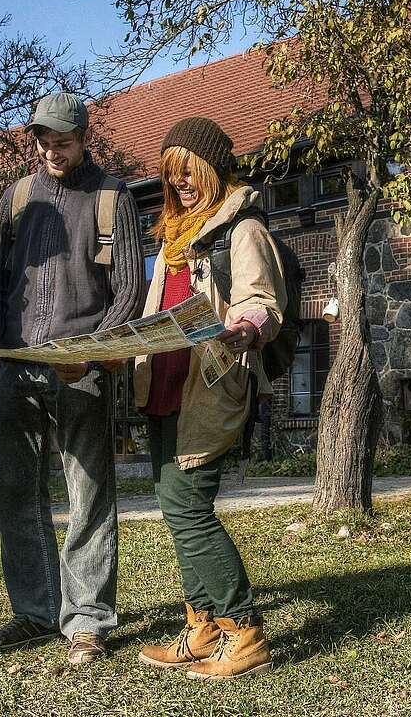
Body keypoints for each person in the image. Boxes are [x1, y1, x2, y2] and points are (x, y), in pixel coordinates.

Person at [0, 93, 145, 665]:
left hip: (81, 371)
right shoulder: (17, 198)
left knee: (88, 493)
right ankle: (36, 611)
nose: (51, 150)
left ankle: (88, 621)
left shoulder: (112, 197)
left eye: (62, 141)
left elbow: (127, 289)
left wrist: (95, 355)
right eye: (44, 141)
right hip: (18, 365)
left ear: (83, 138)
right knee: (17, 495)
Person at [134, 117, 285, 680]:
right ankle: (203, 626)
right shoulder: (176, 238)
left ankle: (243, 631)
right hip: (164, 385)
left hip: (208, 386)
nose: (182, 185)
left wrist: (245, 325)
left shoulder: (240, 229)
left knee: (191, 511)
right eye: (172, 176)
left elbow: (259, 299)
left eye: (190, 173)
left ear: (214, 170)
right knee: (178, 513)